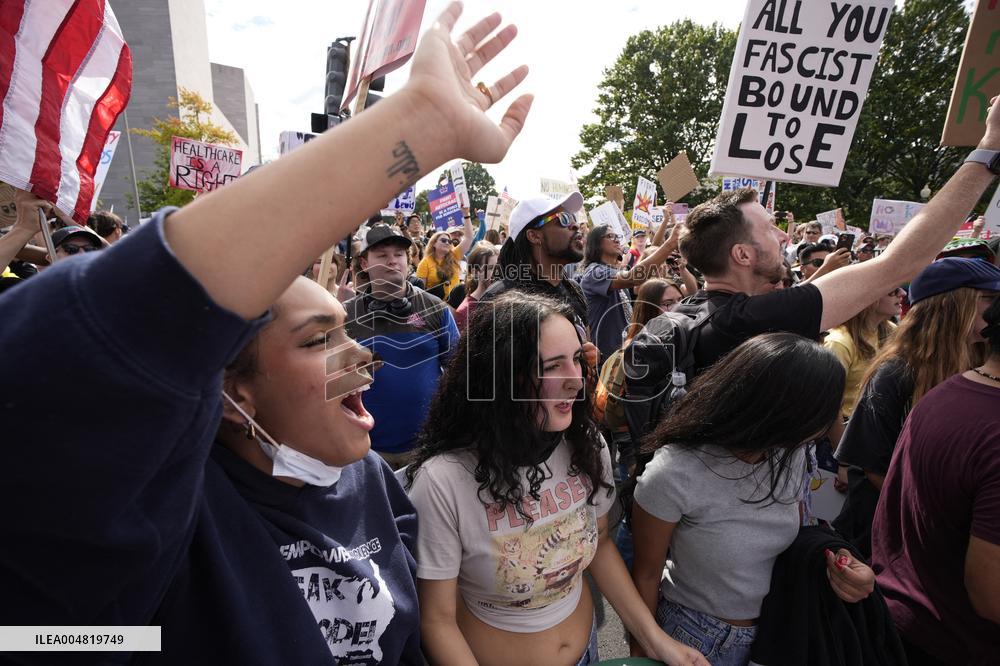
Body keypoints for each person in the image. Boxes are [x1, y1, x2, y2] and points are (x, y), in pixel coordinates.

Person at [0, 3, 535, 661]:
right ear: (230, 394)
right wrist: (412, 126)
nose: (359, 355)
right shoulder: (169, 533)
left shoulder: (370, 482)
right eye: (317, 340)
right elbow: (39, 636)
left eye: (346, 332)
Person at [405, 292, 708, 666]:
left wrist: (654, 638)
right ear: (503, 377)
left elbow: (600, 546)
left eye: (578, 360)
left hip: (587, 654)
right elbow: (437, 620)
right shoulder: (443, 481)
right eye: (552, 366)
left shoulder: (585, 443)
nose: (577, 381)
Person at [630, 333, 875, 666]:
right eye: (820, 414)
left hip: (779, 633)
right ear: (777, 409)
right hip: (693, 639)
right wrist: (644, 650)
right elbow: (645, 574)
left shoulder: (790, 454)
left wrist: (843, 563)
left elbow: (803, 533)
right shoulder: (674, 473)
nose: (823, 428)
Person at [833, 258, 1000, 558]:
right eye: (989, 298)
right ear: (951, 305)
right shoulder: (895, 371)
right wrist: (934, 515)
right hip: (885, 544)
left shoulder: (981, 363)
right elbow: (873, 466)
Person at [871, 294, 1000, 665]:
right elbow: (990, 595)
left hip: (909, 624)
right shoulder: (905, 376)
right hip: (956, 641)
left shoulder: (948, 390)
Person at [344, 224, 459, 470]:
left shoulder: (435, 308)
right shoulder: (345, 315)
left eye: (399, 254)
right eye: (382, 255)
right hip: (365, 452)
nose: (392, 261)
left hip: (426, 448)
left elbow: (461, 371)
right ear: (365, 263)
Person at [822, 286, 903, 462]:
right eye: (893, 290)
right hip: (844, 435)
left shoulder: (891, 330)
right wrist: (843, 460)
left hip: (876, 430)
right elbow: (830, 406)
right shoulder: (839, 342)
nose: (903, 294)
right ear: (870, 296)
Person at [580, 223, 678, 364]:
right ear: (596, 243)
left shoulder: (615, 273)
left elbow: (637, 281)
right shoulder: (594, 273)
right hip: (608, 361)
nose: (617, 239)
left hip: (626, 355)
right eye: (610, 236)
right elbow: (635, 277)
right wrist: (669, 244)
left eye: (617, 236)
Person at [418, 221, 472, 299]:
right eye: (443, 240)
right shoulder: (425, 262)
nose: (447, 243)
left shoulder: (455, 255)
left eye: (449, 241)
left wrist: (466, 215)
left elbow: (469, 237)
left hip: (455, 303)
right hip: (435, 305)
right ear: (434, 243)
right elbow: (420, 291)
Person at [454, 241, 499, 330]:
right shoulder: (465, 311)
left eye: (498, 267)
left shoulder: (504, 299)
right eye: (490, 268)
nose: (496, 272)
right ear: (475, 272)